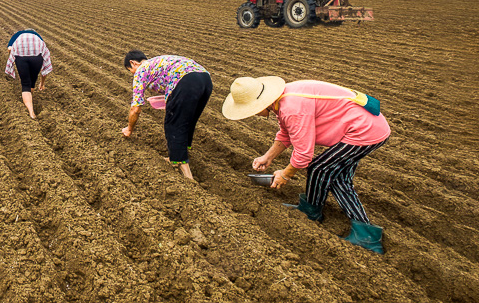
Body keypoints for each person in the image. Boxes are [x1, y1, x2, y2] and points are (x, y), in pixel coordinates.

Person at [222, 77, 391, 253]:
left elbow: (303, 154)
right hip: (364, 125)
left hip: (364, 131)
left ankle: (361, 233)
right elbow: (286, 132)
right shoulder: (283, 97)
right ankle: (317, 211)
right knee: (332, 174)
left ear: (259, 104)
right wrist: (268, 157)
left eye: (250, 110)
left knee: (322, 169)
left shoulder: (291, 108)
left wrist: (285, 175)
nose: (252, 114)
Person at [122, 51, 213, 181]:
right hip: (205, 80)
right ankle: (176, 155)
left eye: (130, 71)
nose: (132, 74)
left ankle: (187, 176)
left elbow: (135, 109)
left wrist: (129, 129)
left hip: (186, 82)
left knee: (174, 124)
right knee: (188, 120)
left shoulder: (141, 70)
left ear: (133, 63)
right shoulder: (159, 62)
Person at [4, 30, 53, 119]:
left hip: (21, 58)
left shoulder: (17, 35)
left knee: (25, 84)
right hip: (37, 58)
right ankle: (30, 96)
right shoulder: (38, 37)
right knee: (32, 82)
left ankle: (31, 112)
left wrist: (14, 59)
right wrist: (42, 84)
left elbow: (9, 49)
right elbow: (45, 61)